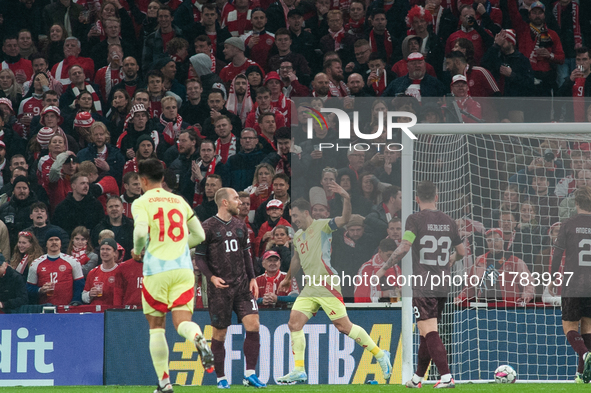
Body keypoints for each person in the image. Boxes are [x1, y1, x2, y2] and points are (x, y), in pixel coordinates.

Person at [277, 190, 392, 384]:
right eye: (292, 216)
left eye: (295, 215)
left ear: (307, 212)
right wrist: (288, 278)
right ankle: (299, 370)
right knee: (294, 324)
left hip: (326, 284)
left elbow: (345, 218)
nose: (294, 219)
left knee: (344, 327)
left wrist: (346, 198)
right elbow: (296, 258)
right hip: (310, 287)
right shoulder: (297, 236)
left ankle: (381, 355)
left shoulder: (323, 226)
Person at [130, 158, 213, 393]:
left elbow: (139, 231)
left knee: (157, 327)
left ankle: (165, 383)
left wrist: (137, 251)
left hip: (156, 270)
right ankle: (197, 337)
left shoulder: (141, 202)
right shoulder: (179, 201)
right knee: (183, 322)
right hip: (184, 270)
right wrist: (178, 246)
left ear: (143, 180)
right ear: (163, 178)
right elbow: (199, 235)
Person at [376, 180, 465, 388]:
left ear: (416, 199)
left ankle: (446, 377)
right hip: (443, 283)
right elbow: (461, 252)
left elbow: (404, 247)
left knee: (430, 330)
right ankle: (417, 378)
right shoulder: (449, 221)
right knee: (425, 331)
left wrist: (382, 268)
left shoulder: (414, 219)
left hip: (423, 283)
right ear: (436, 197)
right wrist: (451, 260)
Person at [194, 187, 265, 388]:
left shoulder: (240, 225)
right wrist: (212, 277)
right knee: (219, 334)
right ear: (224, 202)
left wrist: (252, 278)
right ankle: (221, 378)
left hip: (242, 286)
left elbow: (246, 254)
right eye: (235, 199)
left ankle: (250, 374)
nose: (240, 202)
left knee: (254, 325)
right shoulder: (206, 227)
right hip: (220, 289)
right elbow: (199, 258)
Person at [549, 186, 591, 383]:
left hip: (574, 282)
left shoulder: (568, 224)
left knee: (569, 327)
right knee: (588, 328)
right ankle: (582, 375)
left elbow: (557, 254)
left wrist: (551, 278)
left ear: (576, 204)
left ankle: (584, 354)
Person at [26, 229, 85, 306]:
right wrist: (40, 290)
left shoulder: (73, 261)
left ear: (60, 243)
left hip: (67, 308)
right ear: (46, 244)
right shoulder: (36, 264)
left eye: (56, 239)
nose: (54, 242)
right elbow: (29, 288)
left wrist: (75, 302)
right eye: (51, 240)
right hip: (45, 309)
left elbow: (79, 285)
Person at [82, 238, 119, 307]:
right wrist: (89, 294)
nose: (104, 252)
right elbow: (83, 296)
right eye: (102, 249)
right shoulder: (93, 272)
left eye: (108, 249)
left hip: (113, 312)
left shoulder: (120, 272)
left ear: (115, 253)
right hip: (96, 313)